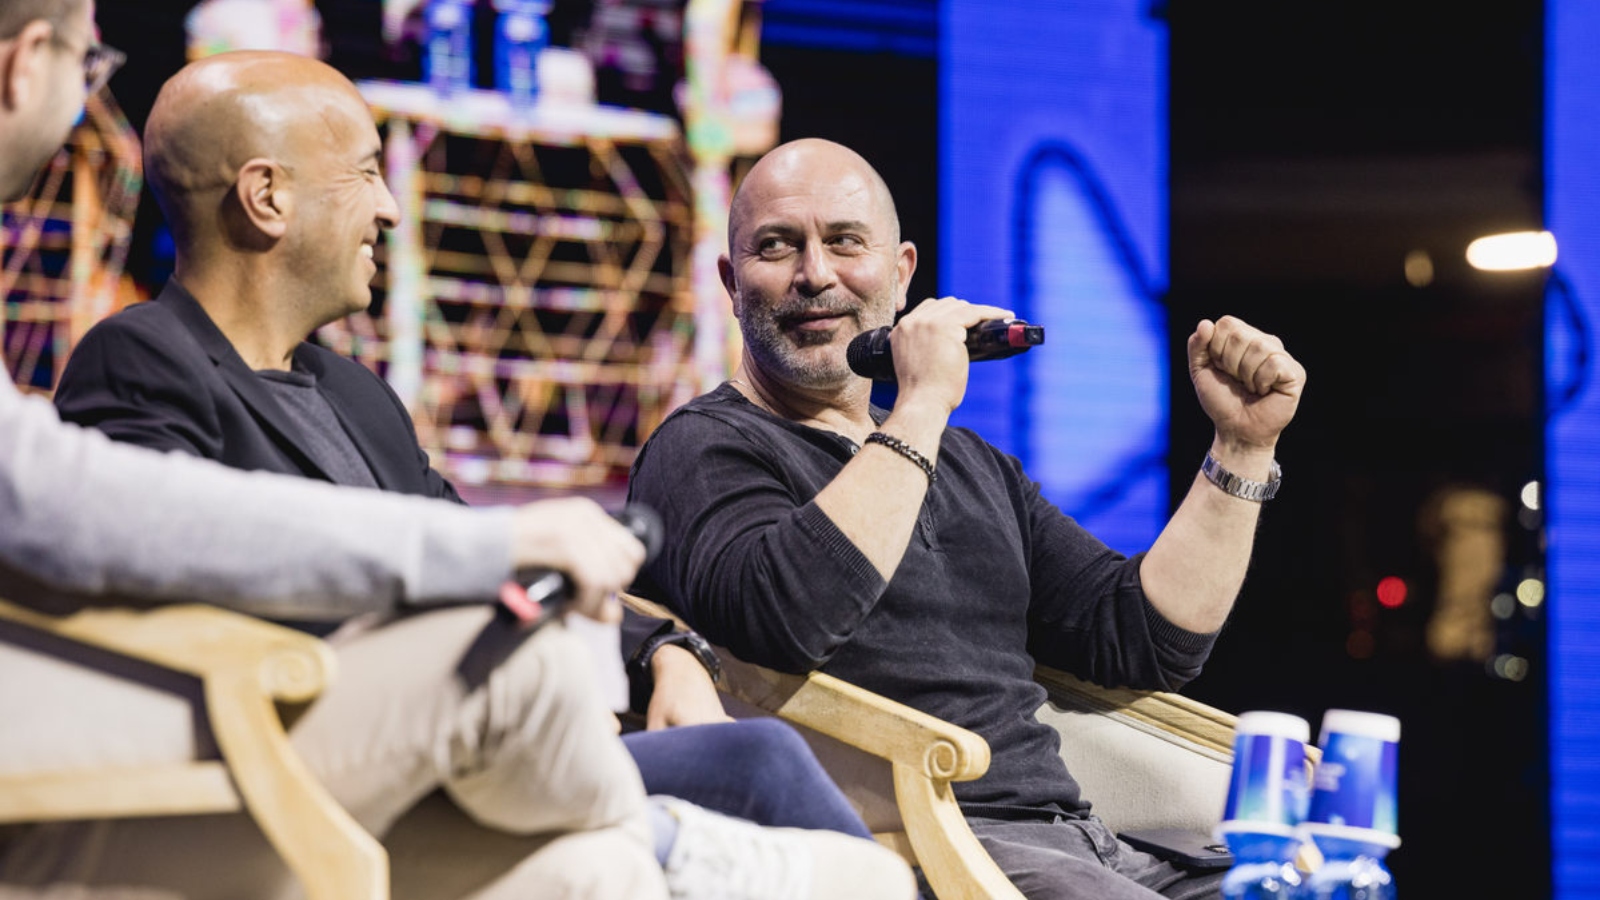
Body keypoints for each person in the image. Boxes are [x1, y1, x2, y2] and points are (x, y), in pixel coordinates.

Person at [0, 6, 912, 897]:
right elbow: (178, 582)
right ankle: (668, 838)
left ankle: (667, 845)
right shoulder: (139, 361)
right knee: (720, 751)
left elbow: (463, 536)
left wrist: (663, 649)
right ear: (267, 199)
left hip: (440, 745)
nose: (392, 206)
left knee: (694, 811)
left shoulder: (352, 392)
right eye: (366, 173)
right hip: (302, 739)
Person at [626, 137, 1308, 900]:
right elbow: (786, 616)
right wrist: (921, 402)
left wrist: (1242, 448)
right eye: (777, 246)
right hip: (920, 848)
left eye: (845, 242)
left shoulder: (970, 464)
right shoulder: (703, 447)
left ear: (901, 273)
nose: (814, 274)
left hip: (1078, 843)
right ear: (730, 281)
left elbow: (1145, 639)